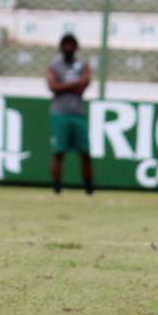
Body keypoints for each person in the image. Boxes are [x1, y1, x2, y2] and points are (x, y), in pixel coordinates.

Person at [46, 33, 93, 194]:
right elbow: (53, 86)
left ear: (76, 47)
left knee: (85, 153)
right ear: (61, 47)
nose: (68, 48)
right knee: (58, 152)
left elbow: (85, 84)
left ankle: (89, 188)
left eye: (71, 44)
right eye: (65, 44)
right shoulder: (54, 65)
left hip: (78, 113)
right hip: (59, 113)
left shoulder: (82, 64)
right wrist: (75, 84)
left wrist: (64, 85)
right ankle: (57, 188)